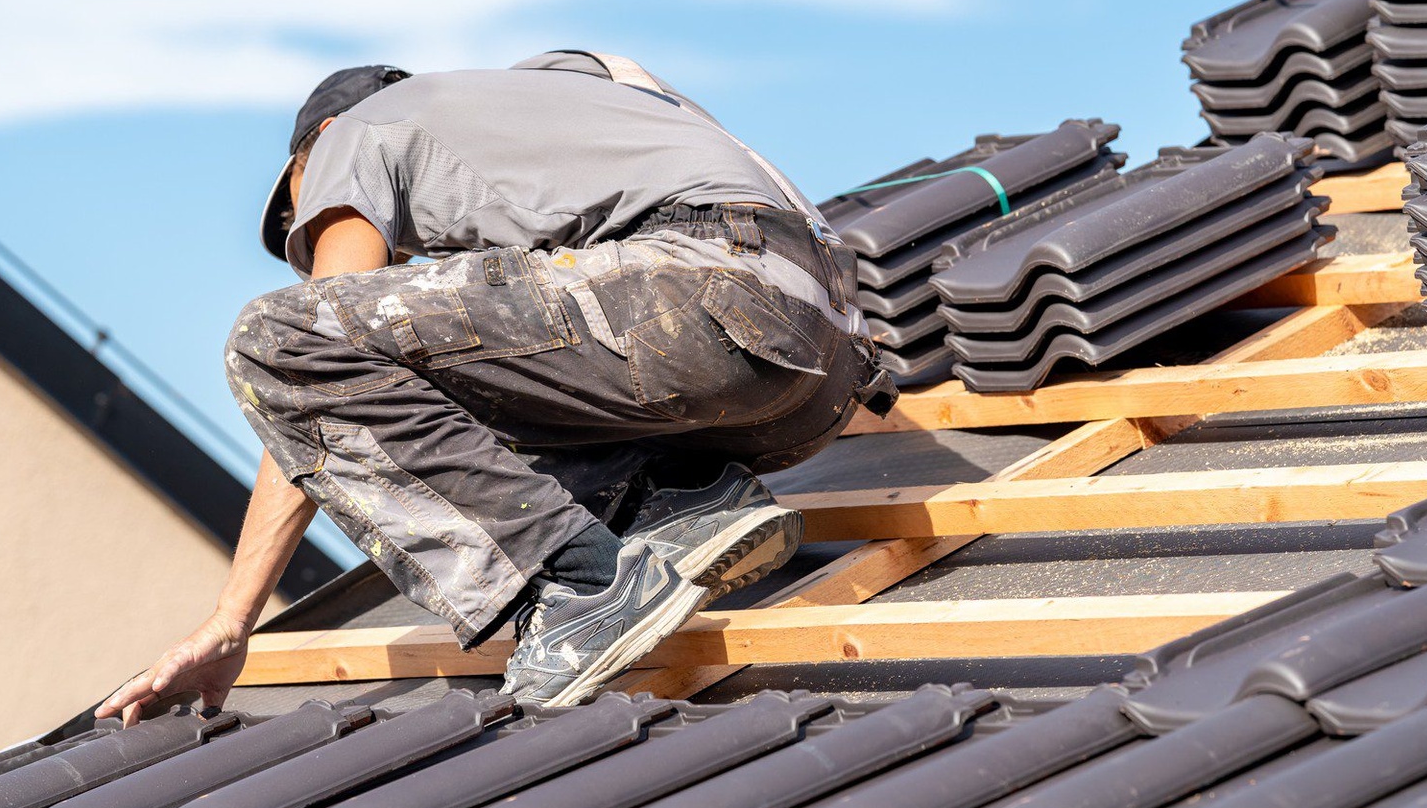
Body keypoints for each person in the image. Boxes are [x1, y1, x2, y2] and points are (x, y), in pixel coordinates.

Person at [97, 51, 893, 720]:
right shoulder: (555, 109)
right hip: (815, 376)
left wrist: (231, 618)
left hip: (704, 299)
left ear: (320, 144)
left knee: (280, 337)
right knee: (453, 345)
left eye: (303, 208)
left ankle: (584, 583)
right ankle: (679, 499)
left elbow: (309, 362)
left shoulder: (359, 133)